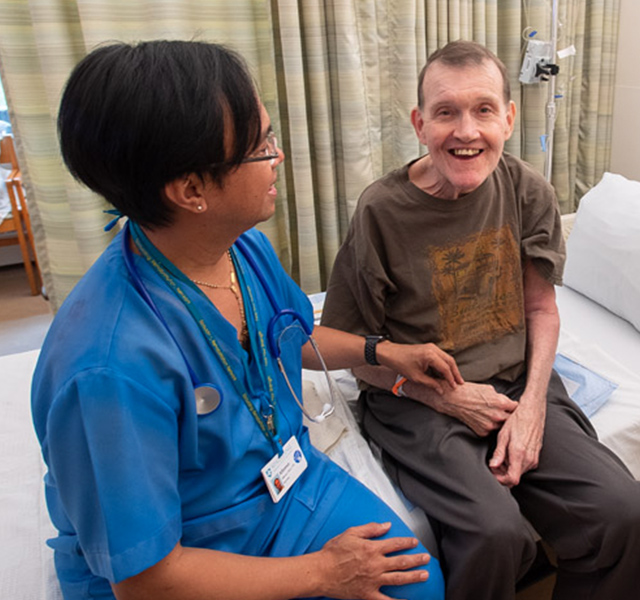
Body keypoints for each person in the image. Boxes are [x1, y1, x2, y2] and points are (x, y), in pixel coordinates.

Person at [33, 40, 457, 600]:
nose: (278, 156)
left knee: (418, 585)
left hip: (282, 483)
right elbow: (144, 579)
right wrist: (326, 573)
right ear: (191, 190)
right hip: (188, 551)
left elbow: (289, 336)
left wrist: (383, 351)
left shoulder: (240, 250)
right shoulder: (108, 368)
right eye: (261, 147)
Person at [321, 40, 640, 599]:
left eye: (483, 110)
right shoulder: (381, 210)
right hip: (414, 397)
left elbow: (542, 309)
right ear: (420, 124)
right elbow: (345, 348)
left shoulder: (527, 190)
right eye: (446, 112)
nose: (466, 131)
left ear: (508, 117)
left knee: (622, 513)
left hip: (518, 385)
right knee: (495, 535)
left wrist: (532, 411)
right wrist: (440, 397)